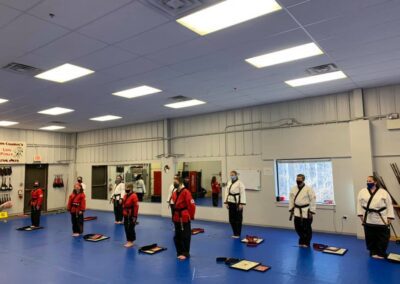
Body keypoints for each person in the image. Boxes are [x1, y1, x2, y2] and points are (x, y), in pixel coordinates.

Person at [357, 176, 395, 259]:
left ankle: (381, 253)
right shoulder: (362, 192)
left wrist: (390, 217)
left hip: (381, 218)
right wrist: (360, 215)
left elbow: (389, 204)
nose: (368, 182)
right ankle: (373, 252)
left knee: (383, 237)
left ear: (375, 182)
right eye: (367, 181)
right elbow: (359, 203)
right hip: (368, 217)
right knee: (370, 236)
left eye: (370, 181)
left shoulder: (383, 192)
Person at [171, 176, 196, 260]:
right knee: (177, 236)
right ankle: (179, 251)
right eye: (174, 181)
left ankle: (185, 253)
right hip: (176, 216)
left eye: (176, 181)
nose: (174, 183)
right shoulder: (174, 193)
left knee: (185, 235)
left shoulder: (186, 192)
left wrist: (191, 216)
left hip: (184, 216)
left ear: (180, 182)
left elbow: (191, 205)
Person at [289, 174, 316, 248]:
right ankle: (301, 241)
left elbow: (313, 199)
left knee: (307, 228)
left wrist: (312, 211)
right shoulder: (293, 188)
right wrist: (291, 209)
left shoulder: (308, 189)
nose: (298, 180)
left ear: (303, 180)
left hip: (306, 211)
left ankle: (306, 243)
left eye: (299, 179)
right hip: (297, 210)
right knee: (297, 227)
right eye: (297, 179)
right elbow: (291, 199)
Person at [224, 171, 246, 238]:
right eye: (230, 175)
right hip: (230, 201)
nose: (231, 176)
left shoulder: (240, 183)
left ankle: (238, 233)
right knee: (231, 219)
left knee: (238, 219)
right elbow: (226, 192)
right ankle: (234, 232)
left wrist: (241, 203)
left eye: (233, 175)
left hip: (237, 203)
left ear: (236, 175)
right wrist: (226, 202)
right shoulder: (229, 182)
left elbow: (242, 193)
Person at [122, 183, 139, 248]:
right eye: (125, 188)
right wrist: (121, 201)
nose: (126, 189)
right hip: (126, 213)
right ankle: (130, 240)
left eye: (127, 188)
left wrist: (134, 216)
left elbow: (136, 206)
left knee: (130, 228)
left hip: (131, 214)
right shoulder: (125, 195)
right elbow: (123, 201)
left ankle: (130, 241)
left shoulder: (134, 196)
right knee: (126, 228)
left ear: (131, 189)